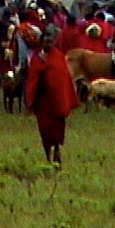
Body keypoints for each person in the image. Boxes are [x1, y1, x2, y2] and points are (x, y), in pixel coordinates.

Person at [25, 29, 78, 166]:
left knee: (57, 128)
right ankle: (48, 155)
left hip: (56, 99)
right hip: (43, 100)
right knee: (44, 129)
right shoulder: (36, 58)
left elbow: (63, 78)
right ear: (41, 43)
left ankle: (57, 150)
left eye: (50, 42)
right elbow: (32, 78)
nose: (48, 44)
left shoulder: (58, 56)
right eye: (45, 42)